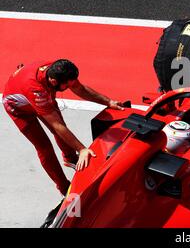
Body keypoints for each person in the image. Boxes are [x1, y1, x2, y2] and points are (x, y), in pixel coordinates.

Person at [2, 59, 125, 195]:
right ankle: (64, 187)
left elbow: (80, 89)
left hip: (32, 91)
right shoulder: (38, 92)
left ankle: (70, 158)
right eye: (66, 86)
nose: (70, 87)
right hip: (18, 108)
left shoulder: (58, 70)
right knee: (44, 147)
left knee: (60, 128)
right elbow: (57, 126)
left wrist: (108, 101)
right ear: (54, 82)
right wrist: (82, 149)